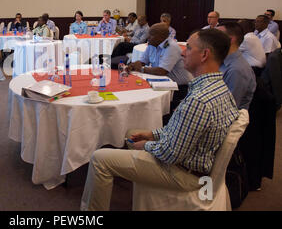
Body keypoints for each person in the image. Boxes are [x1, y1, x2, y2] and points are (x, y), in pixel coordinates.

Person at [80, 28, 238, 211]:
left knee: (100, 159)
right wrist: (151, 133)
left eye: (188, 48)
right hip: (195, 159)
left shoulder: (199, 101)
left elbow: (171, 154)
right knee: (133, 133)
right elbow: (182, 128)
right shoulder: (218, 88)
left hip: (183, 173)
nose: (183, 52)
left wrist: (146, 144)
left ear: (204, 55)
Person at [127, 22, 192, 90]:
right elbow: (143, 61)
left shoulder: (171, 47)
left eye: (151, 35)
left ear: (161, 37)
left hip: (178, 87)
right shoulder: (152, 44)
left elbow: (162, 71)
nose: (148, 37)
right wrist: (134, 65)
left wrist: (141, 69)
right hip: (161, 81)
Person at [217, 22, 256, 110]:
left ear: (231, 40)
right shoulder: (224, 61)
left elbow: (227, 108)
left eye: (216, 36)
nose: (211, 40)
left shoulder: (236, 70)